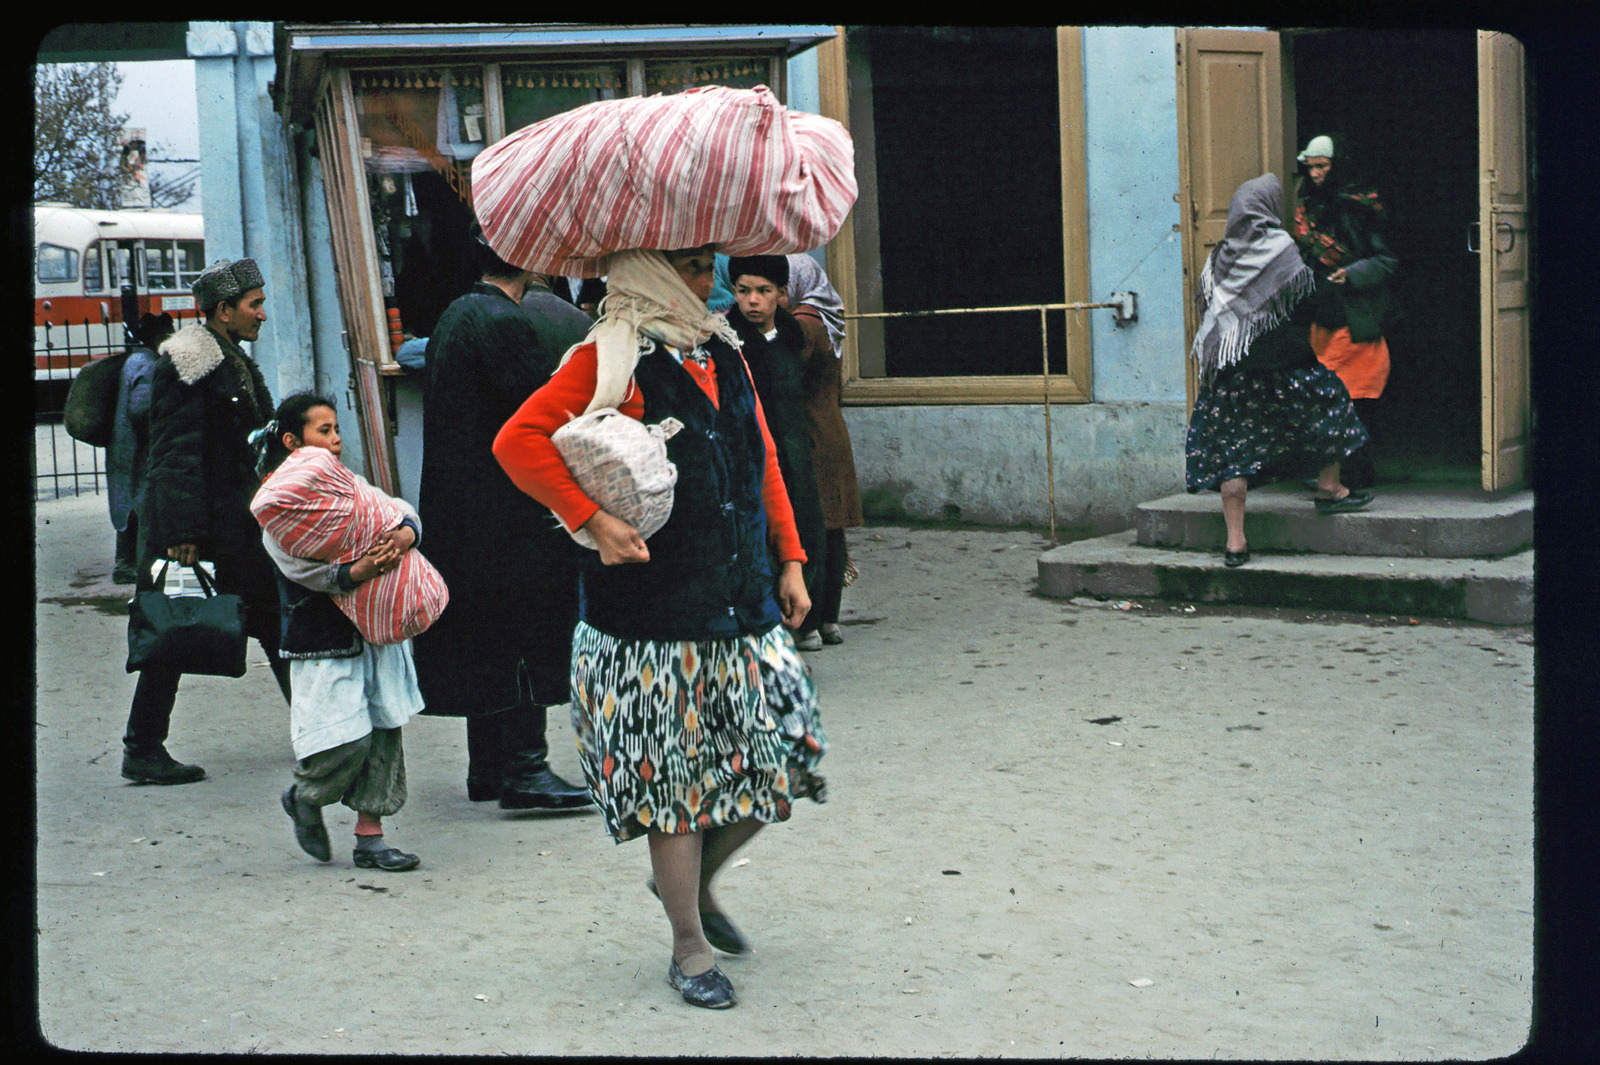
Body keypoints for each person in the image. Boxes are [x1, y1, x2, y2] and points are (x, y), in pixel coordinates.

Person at [492, 245, 829, 1011]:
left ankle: (692, 881)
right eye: (682, 264)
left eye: (700, 262)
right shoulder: (610, 355)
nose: (702, 279)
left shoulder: (722, 348)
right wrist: (593, 519)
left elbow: (762, 455)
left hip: (742, 602)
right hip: (651, 620)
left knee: (787, 754)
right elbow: (517, 441)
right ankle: (688, 946)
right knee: (675, 788)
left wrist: (792, 557)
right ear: (644, 271)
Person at [412, 227, 591, 812]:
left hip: (460, 511)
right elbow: (539, 418)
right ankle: (525, 769)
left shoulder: (457, 316)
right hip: (507, 512)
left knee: (485, 634)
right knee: (522, 630)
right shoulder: (504, 324)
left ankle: (487, 768)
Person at [121, 258, 290, 785]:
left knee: (273, 622)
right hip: (207, 529)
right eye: (253, 304)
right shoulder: (189, 362)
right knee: (174, 630)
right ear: (223, 310)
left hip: (236, 524)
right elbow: (174, 453)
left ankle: (322, 729)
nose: (262, 314)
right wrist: (181, 535)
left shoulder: (230, 356)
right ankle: (142, 747)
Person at [251, 394, 425, 872]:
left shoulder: (351, 486)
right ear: (292, 442)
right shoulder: (281, 508)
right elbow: (299, 570)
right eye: (322, 432)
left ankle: (371, 838)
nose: (335, 441)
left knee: (385, 730)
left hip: (377, 633)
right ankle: (305, 796)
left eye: (336, 431)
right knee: (344, 738)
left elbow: (397, 509)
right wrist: (356, 571)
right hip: (324, 639)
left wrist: (406, 533)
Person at [1185, 174, 1374, 568]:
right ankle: (1329, 485)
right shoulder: (1283, 251)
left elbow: (1207, 308)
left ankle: (1235, 542)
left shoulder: (1217, 259)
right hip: (1287, 368)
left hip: (1233, 377)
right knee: (1332, 403)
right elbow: (1318, 305)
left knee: (1234, 455)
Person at [724, 254, 829, 650]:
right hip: (751, 456)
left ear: (781, 294)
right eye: (744, 291)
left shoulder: (793, 336)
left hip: (796, 452)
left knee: (806, 529)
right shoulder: (727, 342)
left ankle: (808, 619)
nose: (753, 301)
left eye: (763, 291)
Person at [1291, 135, 1399, 489]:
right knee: (1327, 397)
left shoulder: (1362, 206)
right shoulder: (1305, 206)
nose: (1316, 174)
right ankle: (1333, 476)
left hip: (1356, 315)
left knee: (1354, 397)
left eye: (1323, 167)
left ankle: (1354, 476)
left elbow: (1387, 260)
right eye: (1311, 167)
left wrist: (1351, 274)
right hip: (1322, 312)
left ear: (1338, 166)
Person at [784, 254, 861, 647]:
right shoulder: (828, 316)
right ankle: (830, 620)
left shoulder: (802, 325)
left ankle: (809, 624)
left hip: (810, 433)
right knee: (832, 531)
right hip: (831, 429)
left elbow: (787, 377)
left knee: (810, 528)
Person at [108, 312, 174, 584]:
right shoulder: (147, 364)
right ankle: (129, 565)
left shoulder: (136, 359)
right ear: (158, 338)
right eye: (168, 336)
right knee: (140, 504)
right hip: (140, 448)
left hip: (126, 447)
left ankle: (125, 562)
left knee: (126, 502)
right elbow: (141, 407)